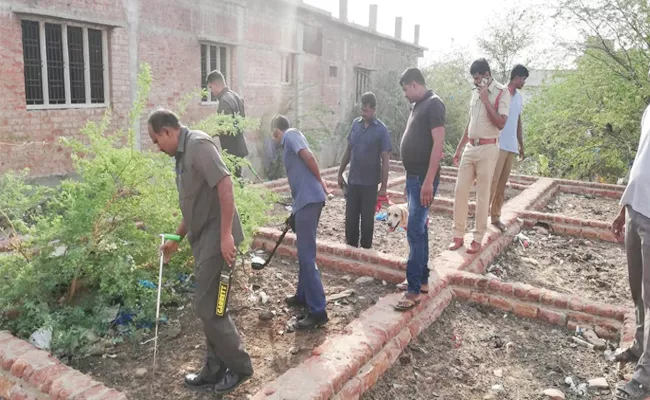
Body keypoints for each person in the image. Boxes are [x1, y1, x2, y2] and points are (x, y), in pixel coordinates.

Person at [150, 109, 253, 394]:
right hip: (204, 240)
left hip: (219, 242)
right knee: (210, 307)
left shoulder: (199, 145)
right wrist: (177, 238)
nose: (157, 148)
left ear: (168, 131)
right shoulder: (182, 155)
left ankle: (241, 367)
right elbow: (194, 204)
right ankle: (214, 367)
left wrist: (225, 237)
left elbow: (225, 185)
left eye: (157, 141)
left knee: (212, 308)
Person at [611, 64, 650, 400]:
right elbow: (640, 162)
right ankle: (639, 346)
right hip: (635, 210)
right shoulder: (648, 111)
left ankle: (645, 376)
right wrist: (621, 208)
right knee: (637, 291)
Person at [393, 67, 445, 311]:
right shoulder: (418, 105)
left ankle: (413, 290)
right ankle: (421, 280)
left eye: (406, 89)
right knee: (419, 230)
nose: (405, 94)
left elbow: (438, 145)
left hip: (423, 179)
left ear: (414, 84)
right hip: (413, 178)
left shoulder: (434, 104)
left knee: (414, 230)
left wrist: (428, 181)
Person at [271, 115, 330, 328]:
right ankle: (303, 296)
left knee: (307, 256)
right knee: (303, 252)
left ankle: (318, 311)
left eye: (273, 136)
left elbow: (309, 156)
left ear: (276, 131)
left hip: (310, 201)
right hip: (305, 202)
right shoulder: (290, 139)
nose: (275, 141)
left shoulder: (291, 135)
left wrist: (321, 181)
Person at [449, 58, 511, 254]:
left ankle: (477, 238)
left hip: (488, 148)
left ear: (486, 75)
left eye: (477, 78)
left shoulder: (502, 92)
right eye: (473, 79)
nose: (475, 82)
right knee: (460, 191)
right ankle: (458, 235)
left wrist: (486, 100)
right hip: (471, 147)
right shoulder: (474, 94)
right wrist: (459, 149)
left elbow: (501, 123)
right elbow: (470, 123)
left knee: (482, 195)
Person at [337, 92, 392, 249]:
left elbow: (385, 160)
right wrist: (340, 172)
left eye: (366, 110)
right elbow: (348, 150)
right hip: (353, 180)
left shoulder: (381, 130)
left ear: (374, 110)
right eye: (362, 109)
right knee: (351, 218)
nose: (363, 113)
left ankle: (366, 251)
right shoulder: (356, 124)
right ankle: (351, 249)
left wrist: (383, 188)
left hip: (370, 183)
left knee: (367, 220)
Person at [489, 64, 528, 232]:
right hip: (498, 143)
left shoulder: (519, 97)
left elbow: (518, 121)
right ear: (517, 78)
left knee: (502, 184)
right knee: (492, 182)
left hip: (511, 145)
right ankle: (481, 218)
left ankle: (495, 216)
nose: (524, 83)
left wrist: (521, 144)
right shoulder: (501, 92)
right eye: (523, 79)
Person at [207, 70, 249, 178]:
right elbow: (242, 122)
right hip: (240, 147)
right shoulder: (237, 97)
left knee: (233, 182)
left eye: (211, 87)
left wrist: (209, 133)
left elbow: (226, 128)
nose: (211, 91)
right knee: (238, 179)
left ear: (217, 85)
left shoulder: (224, 101)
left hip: (232, 150)